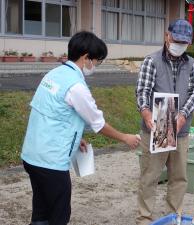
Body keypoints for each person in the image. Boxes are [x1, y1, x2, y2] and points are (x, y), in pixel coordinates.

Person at [21, 31, 141, 225]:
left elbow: (53, 114)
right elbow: (98, 123)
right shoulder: (76, 86)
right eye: (97, 61)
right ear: (86, 58)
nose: (96, 66)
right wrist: (125, 138)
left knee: (41, 213)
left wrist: (75, 137)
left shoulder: (54, 74)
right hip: (51, 162)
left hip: (32, 156)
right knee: (59, 216)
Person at [135, 19, 194, 225]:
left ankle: (174, 215)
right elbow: (143, 91)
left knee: (179, 177)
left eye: (184, 42)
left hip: (181, 129)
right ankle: (145, 218)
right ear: (167, 36)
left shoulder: (191, 64)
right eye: (176, 40)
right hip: (157, 127)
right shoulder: (151, 61)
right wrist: (146, 112)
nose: (179, 45)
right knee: (150, 176)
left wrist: (182, 115)